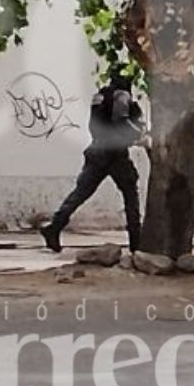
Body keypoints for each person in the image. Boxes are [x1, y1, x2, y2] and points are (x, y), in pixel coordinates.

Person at [41, 70, 145, 254]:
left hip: (97, 149)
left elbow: (93, 124)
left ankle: (55, 226)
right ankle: (136, 242)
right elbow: (120, 122)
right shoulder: (122, 97)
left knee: (80, 193)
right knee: (131, 195)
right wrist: (137, 132)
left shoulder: (99, 96)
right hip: (115, 152)